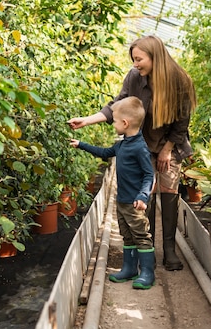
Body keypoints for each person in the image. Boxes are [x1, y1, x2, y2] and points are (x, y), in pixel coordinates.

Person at [68, 35, 196, 271]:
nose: (135, 64)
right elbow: (118, 105)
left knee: (168, 188)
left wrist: (167, 150)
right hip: (143, 143)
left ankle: (169, 249)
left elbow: (182, 122)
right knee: (145, 192)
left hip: (171, 143)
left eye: (139, 59)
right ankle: (148, 247)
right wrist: (87, 121)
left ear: (154, 56)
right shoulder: (135, 78)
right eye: (134, 59)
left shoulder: (179, 80)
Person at [70, 97, 155, 289]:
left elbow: (149, 175)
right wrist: (81, 144)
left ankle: (147, 273)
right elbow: (104, 153)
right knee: (127, 236)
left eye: (114, 121)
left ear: (125, 123)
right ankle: (129, 268)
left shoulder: (139, 147)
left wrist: (143, 196)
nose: (113, 124)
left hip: (135, 204)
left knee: (141, 236)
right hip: (122, 201)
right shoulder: (122, 144)